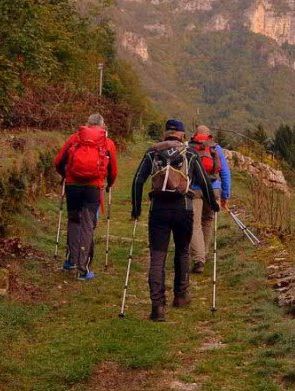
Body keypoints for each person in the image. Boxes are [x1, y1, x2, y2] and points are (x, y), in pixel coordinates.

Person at [131, 118, 218, 322]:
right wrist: (213, 205)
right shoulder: (189, 153)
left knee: (158, 257)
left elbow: (137, 180)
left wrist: (136, 208)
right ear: (181, 134)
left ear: (165, 133)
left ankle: (157, 307)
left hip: (158, 209)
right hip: (183, 208)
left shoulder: (152, 152)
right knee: (182, 251)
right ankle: (180, 295)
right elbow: (205, 181)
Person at [54, 113, 118, 281]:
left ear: (87, 124)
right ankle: (83, 270)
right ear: (103, 125)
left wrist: (66, 175)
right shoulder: (107, 143)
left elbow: (58, 161)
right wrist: (110, 184)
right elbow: (113, 170)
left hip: (72, 186)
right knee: (88, 225)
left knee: (74, 221)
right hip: (93, 187)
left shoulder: (74, 138)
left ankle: (70, 261)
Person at [189, 125, 231, 274]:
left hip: (195, 189)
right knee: (207, 220)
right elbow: (225, 172)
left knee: (194, 224)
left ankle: (198, 259)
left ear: (196, 135)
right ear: (209, 135)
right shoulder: (216, 148)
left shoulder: (190, 146)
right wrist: (225, 195)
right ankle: (204, 252)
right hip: (213, 188)